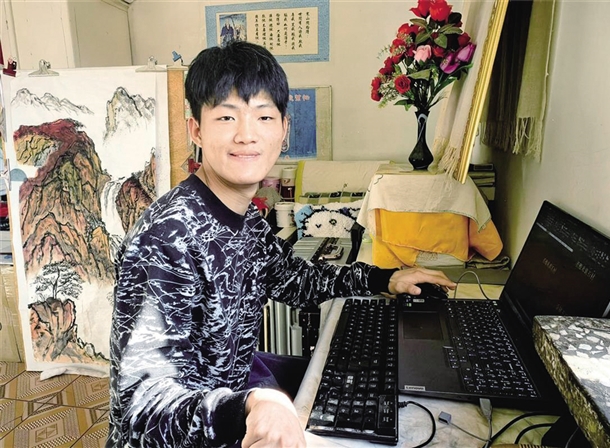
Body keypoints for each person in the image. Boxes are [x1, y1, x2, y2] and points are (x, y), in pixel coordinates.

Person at [107, 41, 456, 448]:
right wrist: (248, 406)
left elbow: (293, 279)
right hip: (195, 435)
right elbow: (142, 408)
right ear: (196, 130)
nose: (247, 135)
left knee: (371, 385)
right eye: (226, 117)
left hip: (235, 402)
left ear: (284, 129)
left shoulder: (246, 219)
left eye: (264, 116)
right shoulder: (167, 237)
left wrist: (385, 279)